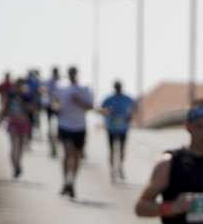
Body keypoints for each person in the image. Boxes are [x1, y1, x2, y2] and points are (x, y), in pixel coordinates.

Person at [53, 65, 94, 198]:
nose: (71, 75)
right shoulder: (61, 86)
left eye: (73, 73)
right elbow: (54, 101)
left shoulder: (84, 87)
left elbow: (90, 106)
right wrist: (57, 107)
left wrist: (78, 101)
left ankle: (72, 182)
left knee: (76, 156)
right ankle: (65, 181)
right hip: (64, 124)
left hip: (79, 126)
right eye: (69, 72)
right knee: (67, 152)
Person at [100, 80, 136, 181]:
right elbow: (101, 109)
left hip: (123, 128)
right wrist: (107, 111)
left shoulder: (126, 98)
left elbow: (134, 105)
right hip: (111, 128)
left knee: (122, 149)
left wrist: (131, 115)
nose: (118, 89)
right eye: (116, 87)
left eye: (119, 87)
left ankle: (120, 166)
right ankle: (112, 170)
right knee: (111, 150)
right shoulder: (109, 99)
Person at [1, 78, 38, 178]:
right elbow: (4, 107)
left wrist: (23, 103)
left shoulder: (27, 96)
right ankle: (15, 166)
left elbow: (34, 109)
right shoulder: (10, 94)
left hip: (24, 122)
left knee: (21, 147)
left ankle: (18, 163)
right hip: (13, 122)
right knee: (14, 145)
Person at [44, 66, 62, 158]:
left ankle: (54, 145)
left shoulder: (61, 81)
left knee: (57, 127)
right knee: (52, 127)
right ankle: (52, 146)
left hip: (58, 107)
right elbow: (45, 91)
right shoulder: (50, 81)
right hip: (50, 106)